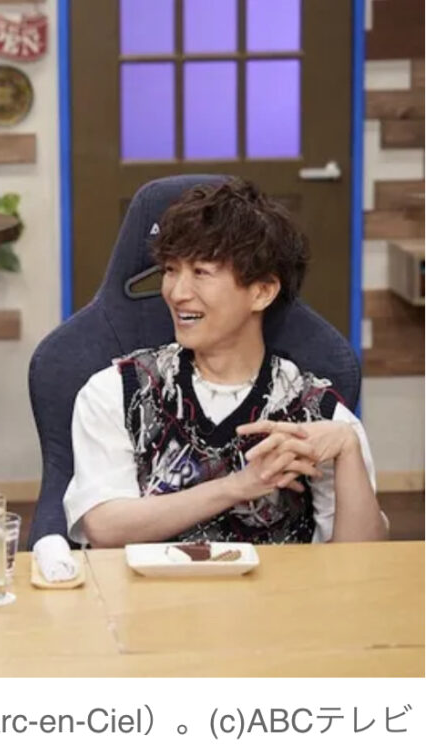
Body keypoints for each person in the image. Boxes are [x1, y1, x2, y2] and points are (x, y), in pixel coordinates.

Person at [63, 179, 387, 547]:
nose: (177, 292)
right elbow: (104, 528)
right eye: (170, 270)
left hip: (281, 587)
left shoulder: (316, 414)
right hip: (146, 586)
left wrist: (348, 448)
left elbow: (362, 563)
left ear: (262, 292)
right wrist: (239, 486)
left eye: (201, 272)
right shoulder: (119, 391)